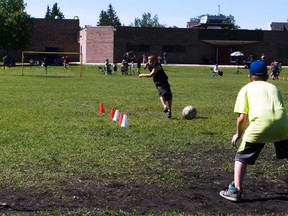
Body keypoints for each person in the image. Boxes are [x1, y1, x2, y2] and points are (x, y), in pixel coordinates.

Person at [219, 60, 288, 202]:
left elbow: (242, 118)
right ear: (267, 76)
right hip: (284, 126)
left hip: (260, 126)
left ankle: (235, 190)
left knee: (241, 157)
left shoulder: (246, 88)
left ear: (250, 77)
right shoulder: (274, 88)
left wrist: (238, 134)